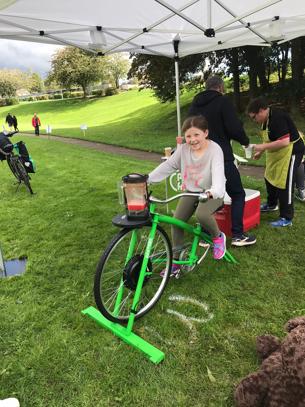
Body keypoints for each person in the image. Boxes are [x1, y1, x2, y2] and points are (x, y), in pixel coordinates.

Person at [149, 115, 226, 276]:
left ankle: (218, 238)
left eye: (196, 135)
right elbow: (169, 165)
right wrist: (148, 179)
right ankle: (176, 261)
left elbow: (218, 176)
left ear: (206, 133)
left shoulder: (215, 149)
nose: (192, 140)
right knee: (176, 221)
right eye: (188, 136)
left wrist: (213, 191)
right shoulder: (183, 150)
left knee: (202, 214)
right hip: (191, 191)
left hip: (212, 192)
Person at [188, 75, 256, 247]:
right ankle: (238, 235)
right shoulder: (223, 101)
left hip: (199, 159)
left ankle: (205, 234)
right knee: (237, 193)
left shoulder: (195, 104)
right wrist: (245, 141)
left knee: (207, 195)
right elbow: (234, 128)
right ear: (220, 87)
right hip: (220, 157)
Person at [247, 97, 305, 227]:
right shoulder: (265, 120)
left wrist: (261, 147)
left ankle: (286, 217)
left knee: (285, 182)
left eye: (254, 117)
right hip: (278, 153)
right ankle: (272, 204)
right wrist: (260, 152)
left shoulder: (277, 118)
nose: (254, 120)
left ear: (262, 111)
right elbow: (268, 139)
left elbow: (284, 141)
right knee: (269, 176)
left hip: (292, 151)